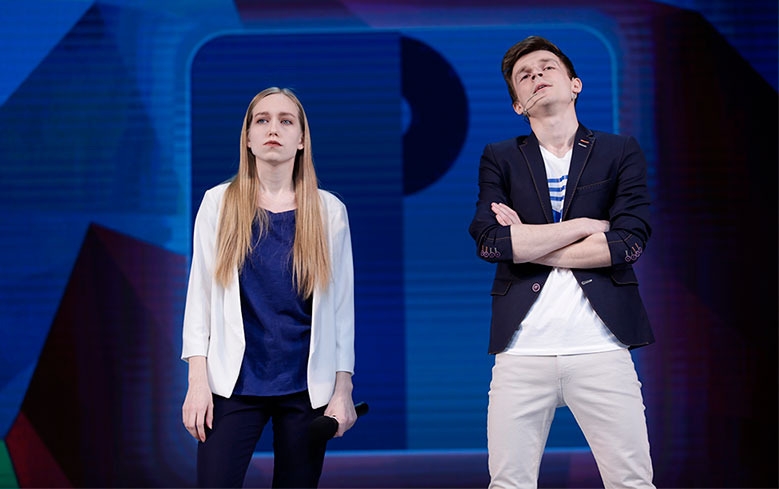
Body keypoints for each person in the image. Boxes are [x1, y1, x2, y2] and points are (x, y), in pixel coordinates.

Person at [469, 36, 655, 488]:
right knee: (508, 484)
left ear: (575, 84)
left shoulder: (618, 151)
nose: (536, 75)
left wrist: (528, 242)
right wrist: (585, 225)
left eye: (546, 67)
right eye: (524, 75)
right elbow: (490, 242)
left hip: (602, 346)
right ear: (518, 105)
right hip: (521, 350)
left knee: (631, 483)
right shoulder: (501, 158)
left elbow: (627, 243)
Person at [181, 87, 357, 488]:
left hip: (306, 386)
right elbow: (199, 299)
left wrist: (343, 388)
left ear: (301, 139)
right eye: (262, 120)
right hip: (234, 382)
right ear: (248, 137)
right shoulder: (218, 204)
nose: (273, 129)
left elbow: (341, 308)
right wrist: (197, 383)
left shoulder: (329, 211)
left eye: (285, 120)